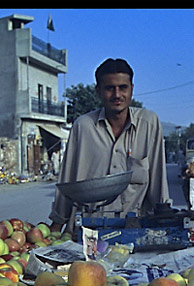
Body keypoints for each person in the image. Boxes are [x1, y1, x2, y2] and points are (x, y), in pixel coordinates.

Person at [49, 58, 171, 233]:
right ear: (98, 91)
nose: (117, 95)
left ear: (132, 90)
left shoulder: (149, 124)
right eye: (109, 88)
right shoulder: (83, 126)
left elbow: (158, 183)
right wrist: (55, 226)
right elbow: (67, 182)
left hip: (134, 229)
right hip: (89, 229)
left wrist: (164, 219)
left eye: (123, 88)